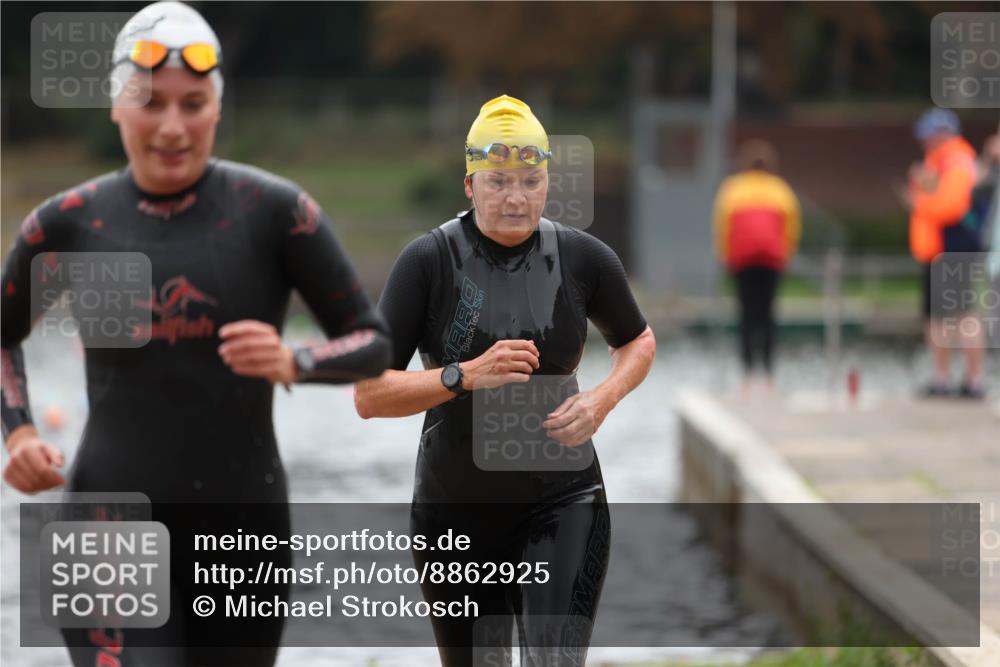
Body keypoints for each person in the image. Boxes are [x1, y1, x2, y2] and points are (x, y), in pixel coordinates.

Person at [1, 3, 391, 665]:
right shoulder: (66, 223)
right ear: (116, 106)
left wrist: (293, 360)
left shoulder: (275, 212)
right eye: (151, 103)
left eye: (194, 104)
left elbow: (372, 341)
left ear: (218, 108)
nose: (173, 127)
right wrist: (19, 432)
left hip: (242, 534)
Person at [353, 95, 656, 665]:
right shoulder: (427, 261)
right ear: (470, 185)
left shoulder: (584, 258)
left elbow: (638, 341)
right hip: (455, 512)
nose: (516, 197)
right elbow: (368, 394)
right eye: (498, 182)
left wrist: (602, 399)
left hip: (565, 501)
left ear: (548, 184)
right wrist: (464, 375)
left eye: (530, 181)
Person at [904, 108, 984, 398]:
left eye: (928, 135)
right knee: (938, 316)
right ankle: (943, 378)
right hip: (939, 250)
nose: (923, 141)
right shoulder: (939, 162)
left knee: (960, 314)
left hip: (953, 249)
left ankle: (971, 380)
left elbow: (950, 207)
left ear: (941, 134)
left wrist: (919, 201)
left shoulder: (956, 161)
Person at [712, 139, 801, 395]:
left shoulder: (732, 189)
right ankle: (770, 375)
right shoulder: (780, 189)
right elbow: (792, 225)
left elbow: (722, 225)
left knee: (746, 315)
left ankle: (747, 376)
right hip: (771, 260)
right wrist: (787, 253)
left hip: (742, 260)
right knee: (768, 314)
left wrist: (724, 255)